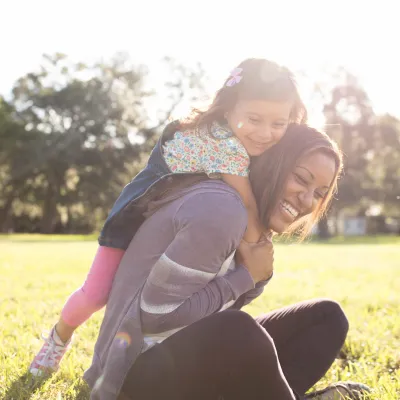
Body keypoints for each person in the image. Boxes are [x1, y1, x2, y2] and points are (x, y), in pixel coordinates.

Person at [29, 58, 307, 376]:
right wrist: (258, 252)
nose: (265, 133)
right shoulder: (221, 143)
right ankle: (58, 339)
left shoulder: (244, 144)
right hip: (133, 220)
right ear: (230, 110)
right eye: (254, 119)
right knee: (96, 293)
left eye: (278, 124)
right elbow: (246, 203)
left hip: (174, 225)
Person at [84, 124, 371, 400]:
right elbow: (155, 317)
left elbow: (216, 314)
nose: (308, 201)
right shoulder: (221, 210)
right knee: (238, 330)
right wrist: (246, 276)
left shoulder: (252, 227)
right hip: (131, 377)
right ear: (273, 162)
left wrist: (253, 272)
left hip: (180, 357)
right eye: (301, 178)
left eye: (319, 194)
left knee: (326, 317)